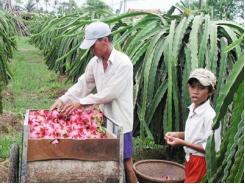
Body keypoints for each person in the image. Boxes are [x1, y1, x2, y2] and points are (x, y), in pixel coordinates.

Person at [50, 21, 138, 183]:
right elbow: (83, 85)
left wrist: (81, 103)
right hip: (103, 119)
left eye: (93, 45)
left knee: (126, 163)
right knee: (106, 160)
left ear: (105, 40)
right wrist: (62, 99)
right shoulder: (95, 63)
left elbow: (110, 93)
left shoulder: (123, 64)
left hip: (120, 121)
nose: (91, 50)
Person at [164, 68, 220, 183]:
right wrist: (178, 135)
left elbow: (211, 148)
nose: (195, 91)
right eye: (192, 86)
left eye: (201, 88)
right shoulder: (193, 108)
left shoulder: (210, 116)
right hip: (190, 160)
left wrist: (181, 142)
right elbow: (198, 135)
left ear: (210, 92)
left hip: (201, 162)